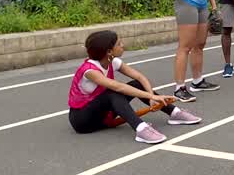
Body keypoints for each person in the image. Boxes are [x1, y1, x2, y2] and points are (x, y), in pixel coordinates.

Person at [67, 30, 200, 143]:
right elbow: (118, 87)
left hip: (102, 115)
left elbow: (139, 78)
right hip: (82, 120)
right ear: (109, 51)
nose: (123, 45)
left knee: (136, 85)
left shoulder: (113, 62)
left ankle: (174, 113)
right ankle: (141, 129)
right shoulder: (90, 71)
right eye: (119, 44)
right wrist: (151, 96)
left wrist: (152, 97)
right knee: (112, 93)